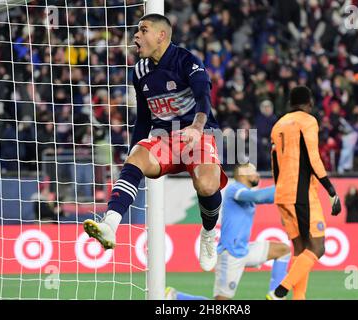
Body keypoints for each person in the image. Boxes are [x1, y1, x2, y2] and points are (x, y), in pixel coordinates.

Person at [83, 14, 228, 272]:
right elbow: (143, 119)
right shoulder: (139, 72)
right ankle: (110, 225)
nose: (136, 36)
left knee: (207, 185)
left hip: (199, 133)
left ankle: (208, 233)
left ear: (161, 35)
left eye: (143, 30)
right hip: (164, 139)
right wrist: (132, 156)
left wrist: (196, 127)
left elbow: (204, 98)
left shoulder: (187, 61)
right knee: (137, 155)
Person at [165, 163, 290, 300]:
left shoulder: (246, 193)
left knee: (283, 250)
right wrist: (285, 186)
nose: (257, 175)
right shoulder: (234, 189)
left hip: (244, 250)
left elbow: (261, 197)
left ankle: (276, 296)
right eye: (253, 171)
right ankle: (176, 297)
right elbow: (259, 197)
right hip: (230, 254)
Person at [267, 85, 341, 300]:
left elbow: (275, 164)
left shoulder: (277, 125)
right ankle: (280, 291)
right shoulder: (308, 121)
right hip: (301, 194)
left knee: (300, 252)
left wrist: (279, 192)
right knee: (317, 247)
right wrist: (331, 189)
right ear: (309, 103)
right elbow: (313, 156)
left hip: (282, 192)